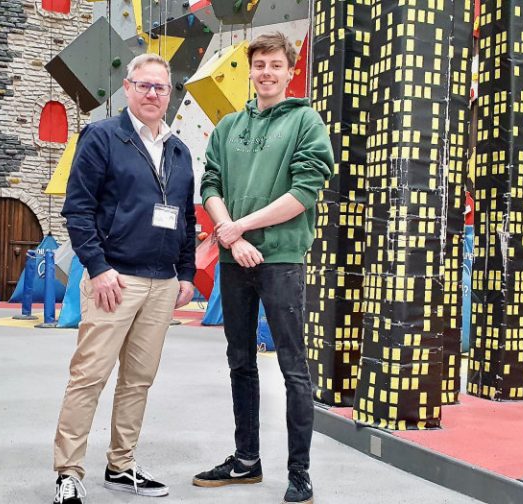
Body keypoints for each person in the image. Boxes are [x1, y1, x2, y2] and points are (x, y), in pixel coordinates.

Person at [193, 32, 334, 504]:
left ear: (290, 71)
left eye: (276, 65)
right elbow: (209, 182)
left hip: (282, 260)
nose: (267, 73)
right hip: (236, 261)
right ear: (249, 71)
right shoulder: (229, 126)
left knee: (293, 367)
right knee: (240, 361)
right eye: (260, 65)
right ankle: (246, 460)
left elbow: (304, 193)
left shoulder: (305, 121)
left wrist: (238, 230)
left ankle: (300, 473)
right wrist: (230, 232)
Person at [52, 53, 196, 504]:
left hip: (162, 283)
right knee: (89, 377)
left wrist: (186, 273)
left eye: (161, 87)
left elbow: (186, 219)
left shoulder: (179, 149)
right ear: (128, 88)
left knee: (138, 380)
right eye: (144, 85)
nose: (153, 94)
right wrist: (98, 268)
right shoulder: (101, 137)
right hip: (113, 280)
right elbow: (77, 210)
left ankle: (121, 465)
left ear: (170, 94)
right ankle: (68, 472)